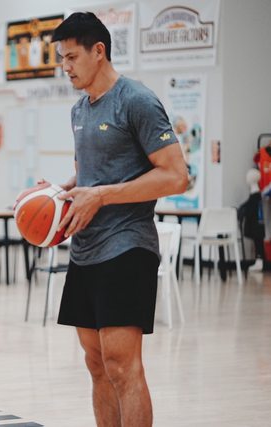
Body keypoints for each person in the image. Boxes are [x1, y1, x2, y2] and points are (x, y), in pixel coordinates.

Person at [50, 13, 188, 427]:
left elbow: (176, 176)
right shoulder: (78, 110)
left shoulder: (137, 100)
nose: (65, 67)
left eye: (71, 57)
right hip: (85, 250)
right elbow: (89, 175)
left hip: (128, 246)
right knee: (96, 364)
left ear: (99, 51)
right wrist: (57, 194)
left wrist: (101, 195)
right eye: (61, 58)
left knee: (122, 366)